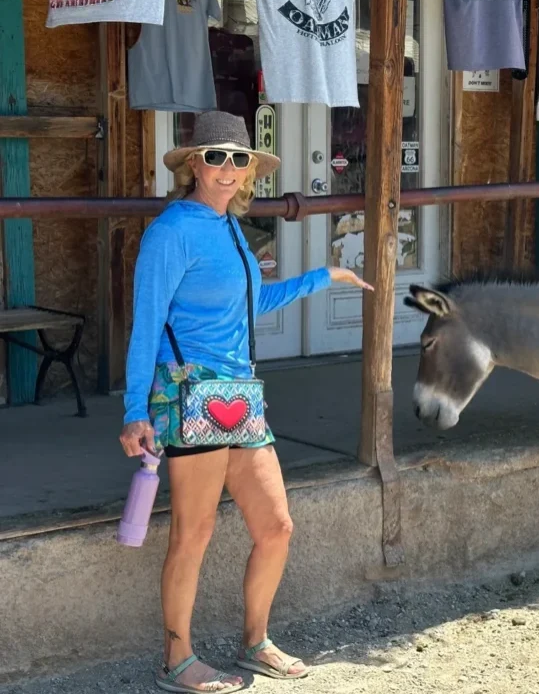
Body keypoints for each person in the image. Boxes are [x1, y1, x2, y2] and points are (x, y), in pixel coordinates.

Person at [119, 111, 373, 693]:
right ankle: (176, 662)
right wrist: (136, 410)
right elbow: (145, 324)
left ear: (251, 169)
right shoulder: (172, 231)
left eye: (239, 159)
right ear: (192, 166)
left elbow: (249, 305)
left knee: (277, 525)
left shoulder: (231, 225)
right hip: (189, 392)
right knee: (194, 532)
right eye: (215, 158)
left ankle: (255, 642)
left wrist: (323, 276)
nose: (228, 169)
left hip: (238, 394)